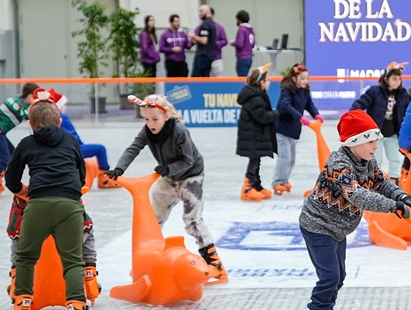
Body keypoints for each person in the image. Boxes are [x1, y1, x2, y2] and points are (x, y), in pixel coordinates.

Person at [298, 109, 411, 310]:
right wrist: (391, 206)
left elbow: (381, 182)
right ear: (354, 142)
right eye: (370, 140)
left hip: (338, 227)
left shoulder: (367, 161)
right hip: (318, 225)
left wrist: (400, 195)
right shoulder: (339, 165)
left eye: (376, 139)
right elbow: (358, 195)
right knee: (329, 276)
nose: (376, 145)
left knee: (339, 276)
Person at [2, 89, 108, 310]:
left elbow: (11, 178)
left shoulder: (27, 143)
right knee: (72, 262)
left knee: (26, 258)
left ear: (30, 124)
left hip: (37, 206)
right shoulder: (70, 141)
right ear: (59, 121)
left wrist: (22, 190)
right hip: (70, 206)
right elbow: (82, 176)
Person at [105, 94, 228, 285]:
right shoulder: (147, 131)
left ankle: (216, 266)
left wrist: (169, 169)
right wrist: (120, 169)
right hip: (169, 176)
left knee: (192, 221)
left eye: (154, 119)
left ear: (166, 115)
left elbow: (188, 160)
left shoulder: (180, 131)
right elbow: (133, 148)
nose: (151, 123)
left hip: (191, 176)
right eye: (146, 119)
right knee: (153, 220)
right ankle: (151, 262)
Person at [349, 61, 410, 182]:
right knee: (376, 160)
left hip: (393, 133)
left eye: (399, 79)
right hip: (376, 134)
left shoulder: (402, 94)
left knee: (395, 159)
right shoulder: (374, 91)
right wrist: (351, 114)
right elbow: (361, 103)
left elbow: (409, 109)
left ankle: (394, 182)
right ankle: (374, 182)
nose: (397, 82)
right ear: (386, 79)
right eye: (394, 79)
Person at [273, 63, 322, 194]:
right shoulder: (286, 90)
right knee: (285, 157)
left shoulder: (304, 90)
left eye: (307, 78)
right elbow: (285, 105)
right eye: (303, 78)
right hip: (282, 129)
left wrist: (316, 114)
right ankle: (278, 182)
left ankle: (284, 181)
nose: (305, 81)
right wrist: (300, 117)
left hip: (293, 130)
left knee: (292, 159)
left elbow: (309, 104)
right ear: (294, 78)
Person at [57, 93, 119, 189]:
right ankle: (105, 179)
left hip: (65, 149)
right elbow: (72, 136)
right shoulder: (62, 118)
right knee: (100, 149)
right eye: (63, 105)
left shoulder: (54, 118)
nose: (65, 107)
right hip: (73, 149)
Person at [237, 64, 280, 201]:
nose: (269, 82)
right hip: (253, 137)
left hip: (255, 136)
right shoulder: (255, 98)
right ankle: (247, 188)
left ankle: (256, 185)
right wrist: (279, 114)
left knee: (256, 160)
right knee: (254, 161)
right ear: (261, 82)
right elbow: (262, 116)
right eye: (267, 80)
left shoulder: (257, 95)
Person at [0, 82, 40, 192]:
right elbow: (32, 117)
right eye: (35, 98)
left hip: (2, 132)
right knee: (5, 159)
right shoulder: (20, 106)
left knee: (12, 153)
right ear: (30, 96)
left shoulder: (16, 100)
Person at [187, 4, 216, 78]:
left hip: (203, 54)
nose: (200, 13)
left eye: (201, 11)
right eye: (199, 11)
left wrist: (193, 36)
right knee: (205, 77)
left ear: (208, 11)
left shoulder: (205, 24)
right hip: (209, 54)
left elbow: (204, 40)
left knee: (195, 77)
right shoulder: (212, 23)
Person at [230, 10, 256, 77]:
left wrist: (232, 42)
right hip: (249, 57)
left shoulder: (242, 29)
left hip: (242, 57)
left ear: (239, 19)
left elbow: (239, 44)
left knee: (241, 78)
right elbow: (253, 44)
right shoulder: (250, 29)